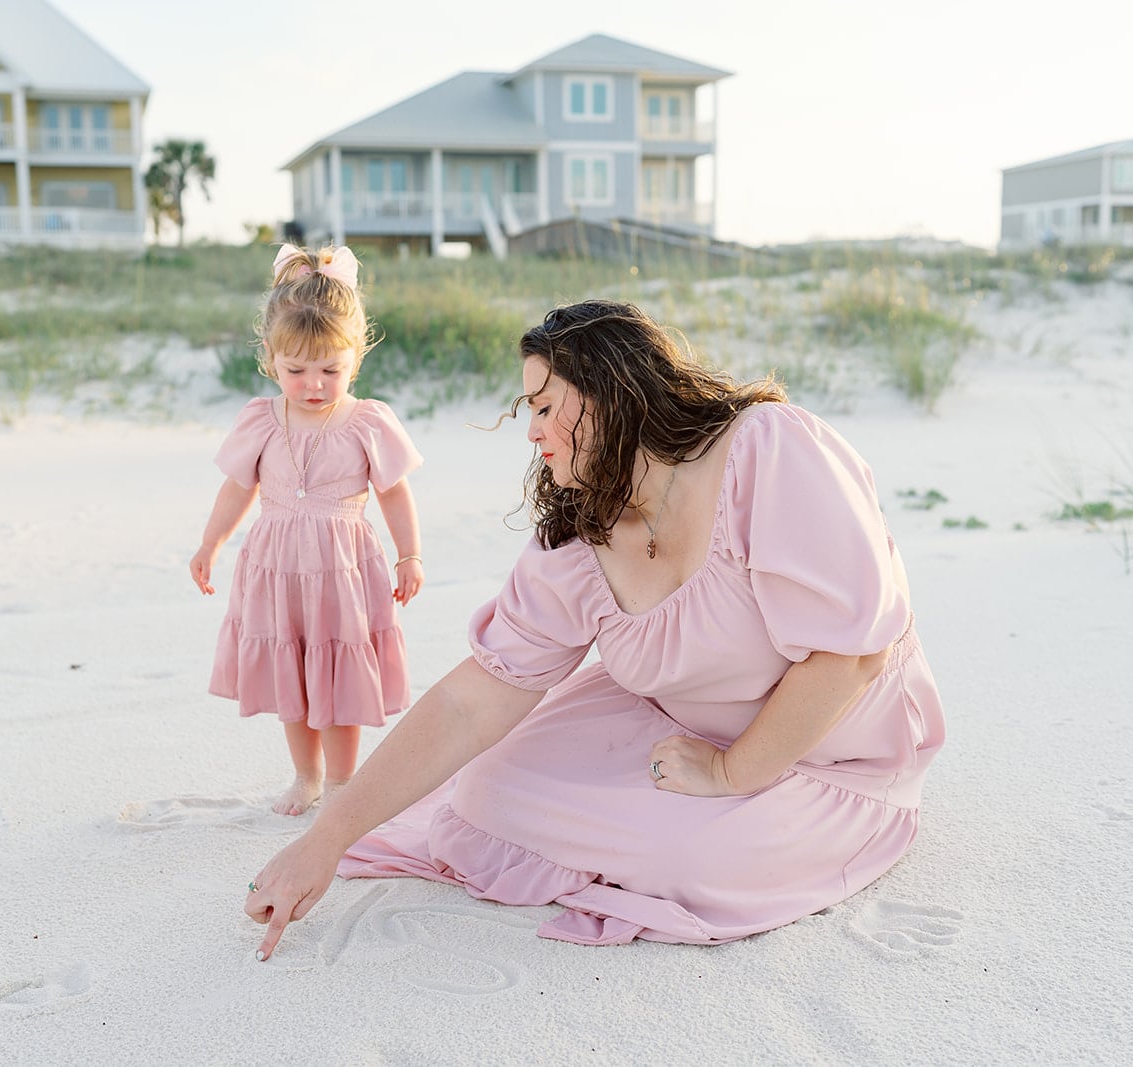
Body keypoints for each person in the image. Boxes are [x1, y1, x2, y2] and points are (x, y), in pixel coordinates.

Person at [244, 299, 945, 955]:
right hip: (679, 721)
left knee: (692, 860)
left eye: (546, 404)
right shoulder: (580, 535)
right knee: (485, 788)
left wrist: (736, 770)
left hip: (834, 749)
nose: (532, 429)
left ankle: (726, 822)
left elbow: (851, 655)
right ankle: (663, 817)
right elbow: (473, 699)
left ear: (612, 389)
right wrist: (328, 836)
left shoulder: (766, 449)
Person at [190, 244, 425, 816]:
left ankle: (343, 783)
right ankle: (306, 776)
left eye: (330, 370)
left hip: (342, 572)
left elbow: (394, 492)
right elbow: (237, 489)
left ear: (355, 361)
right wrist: (211, 544)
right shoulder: (262, 420)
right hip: (277, 571)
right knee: (291, 676)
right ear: (271, 359)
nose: (314, 384)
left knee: (339, 677)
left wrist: (409, 555)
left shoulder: (366, 421)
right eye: (296, 371)